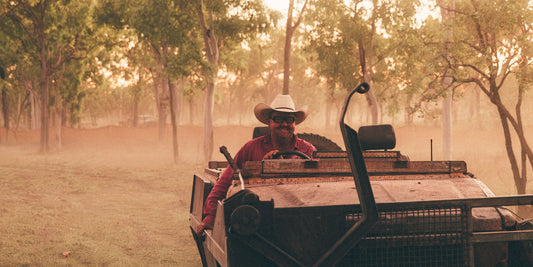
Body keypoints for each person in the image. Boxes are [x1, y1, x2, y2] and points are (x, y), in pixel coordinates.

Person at [196, 94, 317, 234]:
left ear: (294, 123)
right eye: (278, 119)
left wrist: (284, 168)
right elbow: (224, 184)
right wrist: (211, 216)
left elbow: (318, 190)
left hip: (299, 219)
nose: (284, 124)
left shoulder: (308, 150)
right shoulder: (251, 148)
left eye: (289, 119)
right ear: (269, 122)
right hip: (257, 221)